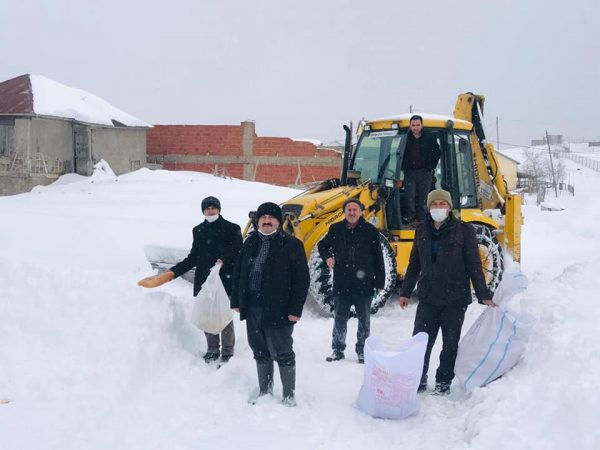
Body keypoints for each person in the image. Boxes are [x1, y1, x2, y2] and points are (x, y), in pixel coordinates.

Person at [399, 189, 495, 395]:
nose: (438, 208)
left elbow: (474, 264)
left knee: (450, 344)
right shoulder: (421, 230)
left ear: (449, 207)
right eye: (434, 204)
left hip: (455, 298)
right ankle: (418, 378)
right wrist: (405, 291)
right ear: (428, 208)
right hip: (428, 297)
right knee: (420, 343)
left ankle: (443, 381)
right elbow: (414, 263)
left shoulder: (465, 231)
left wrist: (484, 294)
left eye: (442, 204)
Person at [138, 196, 242, 367]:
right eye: (207, 208)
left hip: (224, 280)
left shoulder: (232, 228)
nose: (210, 211)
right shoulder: (198, 230)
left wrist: (224, 259)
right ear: (203, 211)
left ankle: (227, 352)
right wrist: (172, 273)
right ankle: (212, 349)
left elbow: (238, 251)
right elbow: (193, 257)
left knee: (224, 316)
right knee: (207, 315)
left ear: (219, 209)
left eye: (213, 208)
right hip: (205, 281)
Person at [231, 202, 309, 406]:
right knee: (259, 350)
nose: (266, 221)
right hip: (253, 307)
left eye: (271, 218)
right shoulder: (250, 242)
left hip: (279, 308)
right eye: (263, 218)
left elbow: (301, 280)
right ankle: (265, 391)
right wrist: (237, 300)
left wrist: (295, 309)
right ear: (257, 221)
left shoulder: (292, 244)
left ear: (279, 222)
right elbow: (239, 271)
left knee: (282, 351)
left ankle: (289, 396)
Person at [318, 198, 385, 364]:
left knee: (364, 321)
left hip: (364, 284)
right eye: (349, 210)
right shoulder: (335, 229)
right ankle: (337, 349)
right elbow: (322, 245)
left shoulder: (370, 231)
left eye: (355, 210)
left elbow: (378, 257)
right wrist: (328, 258)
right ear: (344, 212)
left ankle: (362, 350)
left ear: (361, 212)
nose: (352, 213)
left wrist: (380, 282)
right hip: (342, 282)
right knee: (340, 319)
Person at [401, 115, 441, 225]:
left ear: (422, 125)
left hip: (425, 172)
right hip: (410, 172)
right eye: (413, 125)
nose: (415, 127)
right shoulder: (405, 138)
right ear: (410, 126)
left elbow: (437, 152)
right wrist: (404, 167)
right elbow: (400, 154)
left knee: (424, 197)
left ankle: (422, 219)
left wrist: (430, 166)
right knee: (409, 196)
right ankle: (410, 216)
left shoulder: (429, 137)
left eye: (417, 125)